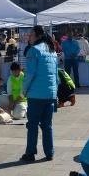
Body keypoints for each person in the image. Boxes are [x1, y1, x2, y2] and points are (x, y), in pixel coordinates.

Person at [20, 26, 59, 163]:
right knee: (47, 126)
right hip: (50, 94)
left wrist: (23, 91)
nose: (28, 37)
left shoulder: (34, 51)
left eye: (30, 35)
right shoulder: (52, 51)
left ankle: (30, 153)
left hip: (36, 95)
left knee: (32, 125)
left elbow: (30, 74)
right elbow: (56, 75)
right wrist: (55, 93)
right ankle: (50, 153)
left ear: (37, 36)